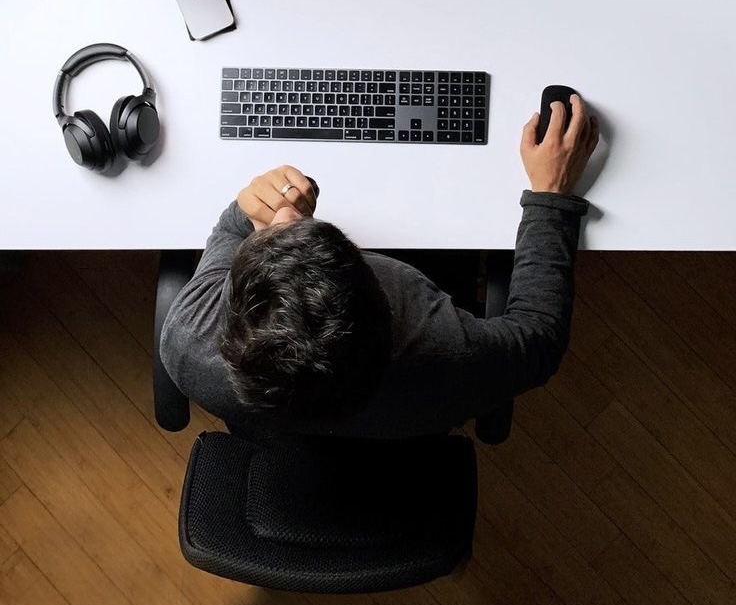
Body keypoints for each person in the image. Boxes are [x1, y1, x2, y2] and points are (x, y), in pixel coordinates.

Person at [160, 95, 599, 439]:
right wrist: (551, 194)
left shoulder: (188, 340)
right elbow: (540, 336)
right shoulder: (446, 353)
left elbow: (230, 229)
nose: (286, 214)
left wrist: (252, 209)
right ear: (383, 292)